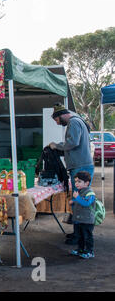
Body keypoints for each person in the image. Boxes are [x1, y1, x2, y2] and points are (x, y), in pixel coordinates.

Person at [49, 103, 94, 245]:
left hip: (81, 166)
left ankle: (80, 237)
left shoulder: (73, 122)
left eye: (56, 120)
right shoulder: (78, 120)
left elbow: (73, 142)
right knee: (77, 202)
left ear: (61, 115)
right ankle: (78, 232)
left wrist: (57, 145)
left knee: (79, 202)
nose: (57, 123)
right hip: (81, 165)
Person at [69, 171, 96, 259]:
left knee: (87, 237)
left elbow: (86, 203)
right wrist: (74, 201)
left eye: (79, 181)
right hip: (79, 219)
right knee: (79, 236)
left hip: (87, 221)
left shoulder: (90, 193)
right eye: (76, 181)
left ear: (87, 183)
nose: (76, 183)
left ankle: (89, 251)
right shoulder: (80, 191)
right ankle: (80, 250)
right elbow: (80, 201)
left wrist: (77, 198)